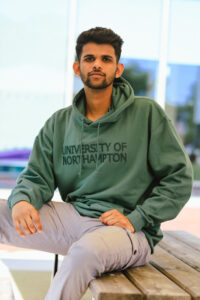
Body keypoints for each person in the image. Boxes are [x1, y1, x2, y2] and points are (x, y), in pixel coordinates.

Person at [0, 27, 193, 300]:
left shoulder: (147, 113)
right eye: (90, 59)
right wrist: (22, 200)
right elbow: (37, 176)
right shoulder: (59, 122)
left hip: (128, 231)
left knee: (85, 252)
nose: (97, 65)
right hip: (72, 220)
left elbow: (178, 178)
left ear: (118, 68)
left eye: (106, 59)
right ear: (77, 67)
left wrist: (137, 217)